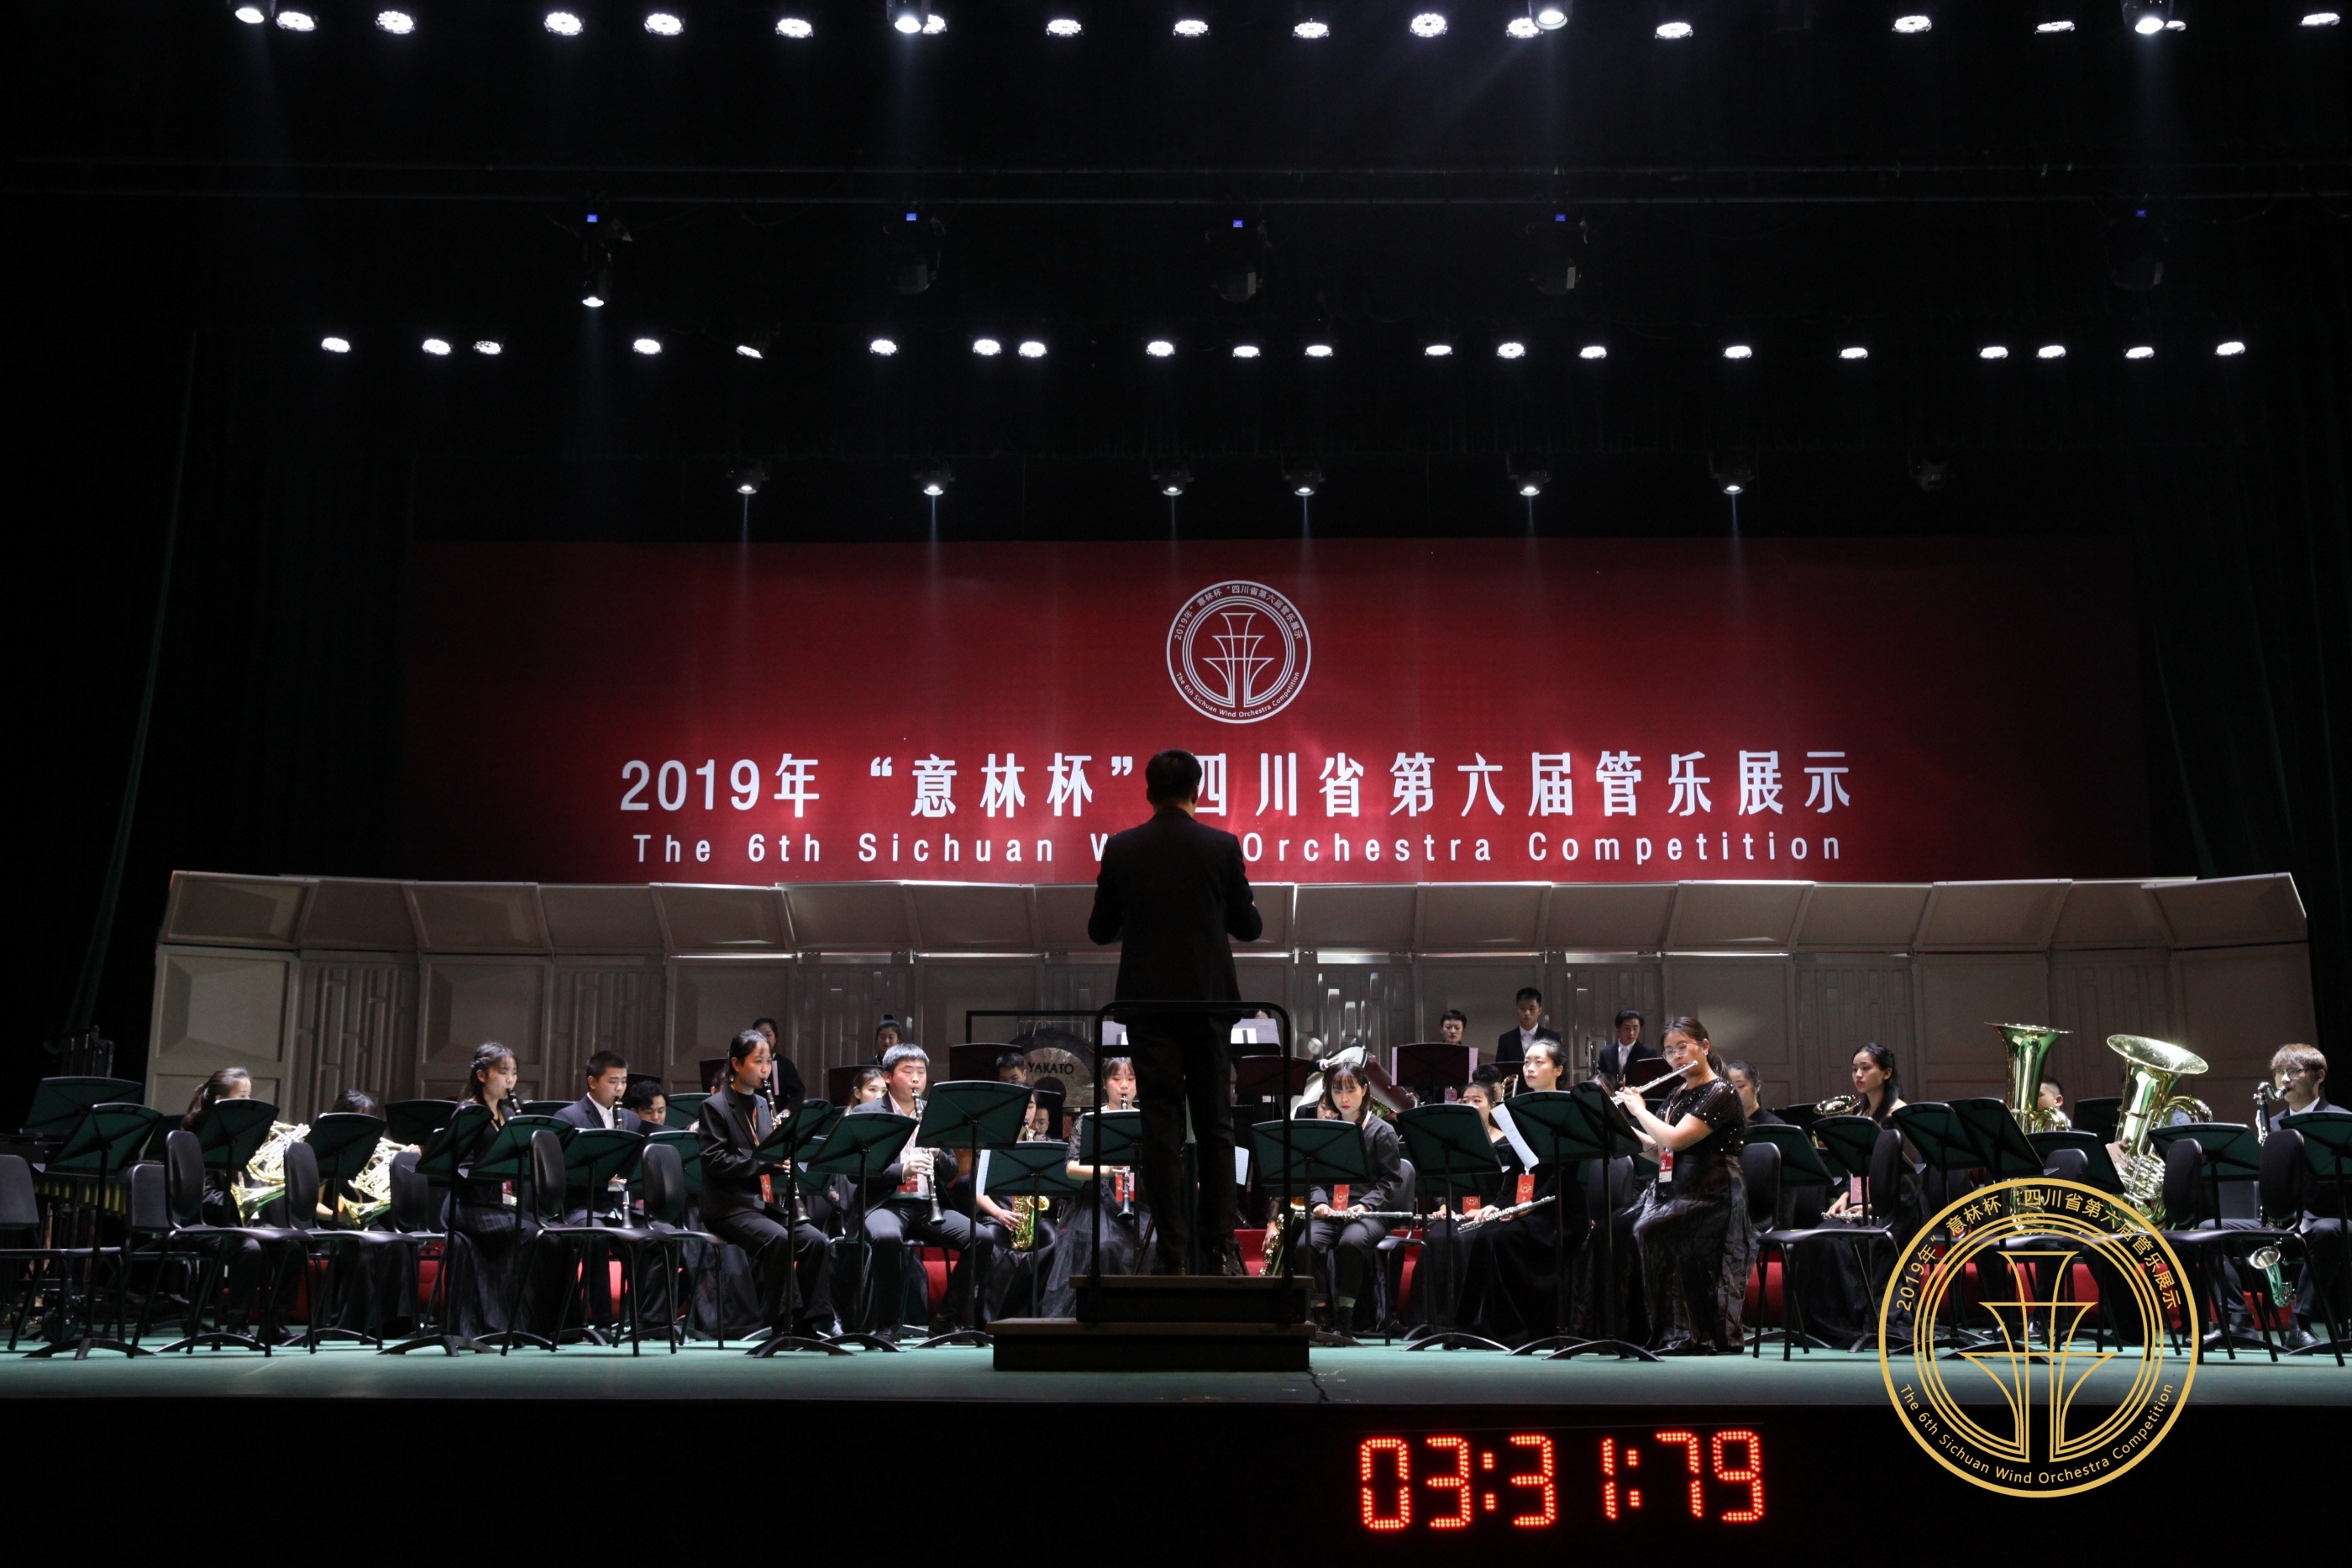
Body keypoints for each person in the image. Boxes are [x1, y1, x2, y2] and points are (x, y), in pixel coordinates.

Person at [1086, 747, 1263, 1277]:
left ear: (1148, 792)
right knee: (1215, 1126)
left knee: (1159, 1128)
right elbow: (1249, 927)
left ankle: (1171, 1253)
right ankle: (1220, 1247)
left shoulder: (1122, 848)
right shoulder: (1221, 846)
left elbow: (1099, 929)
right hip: (1208, 1003)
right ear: (1198, 792)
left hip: (1148, 1006)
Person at [1615, 1016, 1755, 1354]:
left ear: (1704, 1047)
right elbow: (1660, 1151)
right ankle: (1630, 1332)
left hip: (1712, 1192)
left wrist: (1639, 1109)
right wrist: (1616, 1123)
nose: (1676, 1057)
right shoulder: (1677, 1093)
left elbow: (1676, 1140)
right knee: (1616, 1226)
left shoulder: (1720, 1091)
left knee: (1646, 1230)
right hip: (1677, 1187)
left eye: (1683, 1047)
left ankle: (1675, 1332)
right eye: (1669, 1051)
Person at [698, 1029, 836, 1340]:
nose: (765, 1070)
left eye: (768, 1062)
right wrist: (764, 1164)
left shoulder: (763, 1104)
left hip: (762, 1204)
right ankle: (783, 1323)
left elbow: (769, 1154)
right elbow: (715, 1162)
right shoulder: (715, 1106)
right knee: (779, 1240)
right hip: (728, 1206)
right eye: (758, 1061)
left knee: (815, 1240)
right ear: (736, 1064)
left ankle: (811, 1322)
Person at [1457, 1041, 1590, 1347]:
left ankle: (1518, 1330)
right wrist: (1498, 1206)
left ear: (1558, 1070)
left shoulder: (1570, 1109)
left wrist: (1531, 1205)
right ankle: (1478, 1329)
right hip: (1527, 1204)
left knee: (1505, 1238)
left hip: (1559, 1210)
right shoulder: (1516, 1109)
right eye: (1527, 1062)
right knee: (1484, 1234)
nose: (1530, 1068)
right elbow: (1515, 1170)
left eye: (1539, 1062)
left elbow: (1565, 1172)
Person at [847, 1043, 983, 1334]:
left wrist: (937, 1154)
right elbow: (856, 1171)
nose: (916, 1078)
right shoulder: (867, 1113)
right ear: (887, 1077)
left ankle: (945, 1319)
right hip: (885, 1204)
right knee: (886, 1237)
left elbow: (952, 1171)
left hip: (926, 1206)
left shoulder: (935, 1113)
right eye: (907, 1071)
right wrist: (902, 1170)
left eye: (921, 1072)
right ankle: (888, 1324)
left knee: (981, 1238)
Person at [1042, 1057, 1152, 1316]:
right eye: (1117, 1079)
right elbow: (1071, 1168)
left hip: (1140, 1198)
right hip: (1098, 1199)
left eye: (1131, 1079)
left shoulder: (1147, 1119)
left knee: (1153, 1243)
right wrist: (1106, 1170)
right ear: (1105, 1083)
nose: (1124, 1086)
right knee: (1104, 1245)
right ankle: (1100, 1313)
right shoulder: (1090, 1120)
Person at [1303, 1062, 1404, 1342]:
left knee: (1351, 1243)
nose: (1343, 1098)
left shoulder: (1382, 1131)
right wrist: (1318, 1203)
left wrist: (1366, 1205)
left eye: (1350, 1090)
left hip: (1367, 1213)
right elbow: (1316, 1179)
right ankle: (1321, 1315)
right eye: (1337, 1091)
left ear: (1365, 1090)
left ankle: (1345, 1319)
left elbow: (1391, 1180)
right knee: (1306, 1243)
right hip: (1330, 1211)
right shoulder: (1327, 1130)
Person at [442, 1042, 525, 1343]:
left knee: (548, 1235)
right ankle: (498, 1326)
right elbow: (460, 1167)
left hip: (496, 1204)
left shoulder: (508, 1114)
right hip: (469, 1205)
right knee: (524, 1233)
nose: (510, 1080)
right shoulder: (468, 1113)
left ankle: (523, 1326)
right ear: (481, 1075)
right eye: (503, 1072)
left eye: (513, 1073)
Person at [555, 1050, 642, 1134]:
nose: (619, 1088)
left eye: (623, 1081)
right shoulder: (568, 1117)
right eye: (613, 1081)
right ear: (592, 1082)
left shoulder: (633, 1119)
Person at [1495, 988, 1562, 1072]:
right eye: (1522, 1008)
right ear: (1517, 1009)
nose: (1527, 1013)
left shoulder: (1552, 1038)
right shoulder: (1506, 1039)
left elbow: (1560, 1070)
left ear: (1539, 1011)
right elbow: (1499, 1071)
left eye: (1532, 1009)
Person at [753, 1017, 806, 1111]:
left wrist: (787, 1111)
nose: (764, 1040)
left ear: (775, 1039)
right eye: (759, 1036)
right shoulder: (749, 1064)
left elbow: (798, 1092)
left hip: (779, 1114)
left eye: (768, 1035)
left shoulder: (785, 1064)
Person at [1594, 1009, 1656, 1088]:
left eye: (1635, 1028)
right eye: (1627, 1028)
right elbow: (1600, 1077)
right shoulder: (1606, 1052)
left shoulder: (1648, 1052)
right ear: (1618, 1028)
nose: (1631, 1033)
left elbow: (1649, 1079)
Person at [1725, 1061, 1782, 1126]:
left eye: (1740, 1086)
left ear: (1757, 1086)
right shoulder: (1721, 1123)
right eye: (1728, 1086)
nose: (1734, 1091)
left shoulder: (1774, 1125)